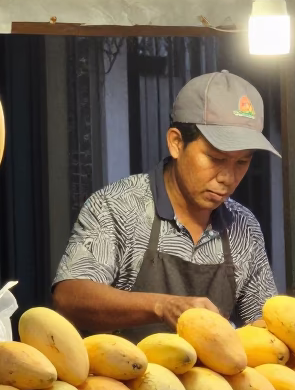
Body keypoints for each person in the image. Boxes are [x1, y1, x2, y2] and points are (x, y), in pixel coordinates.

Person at [52, 70, 279, 338]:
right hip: (125, 377)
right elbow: (68, 297)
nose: (228, 177)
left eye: (242, 162)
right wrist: (162, 306)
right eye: (216, 158)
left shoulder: (244, 227)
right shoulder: (118, 207)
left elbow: (265, 325)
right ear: (176, 143)